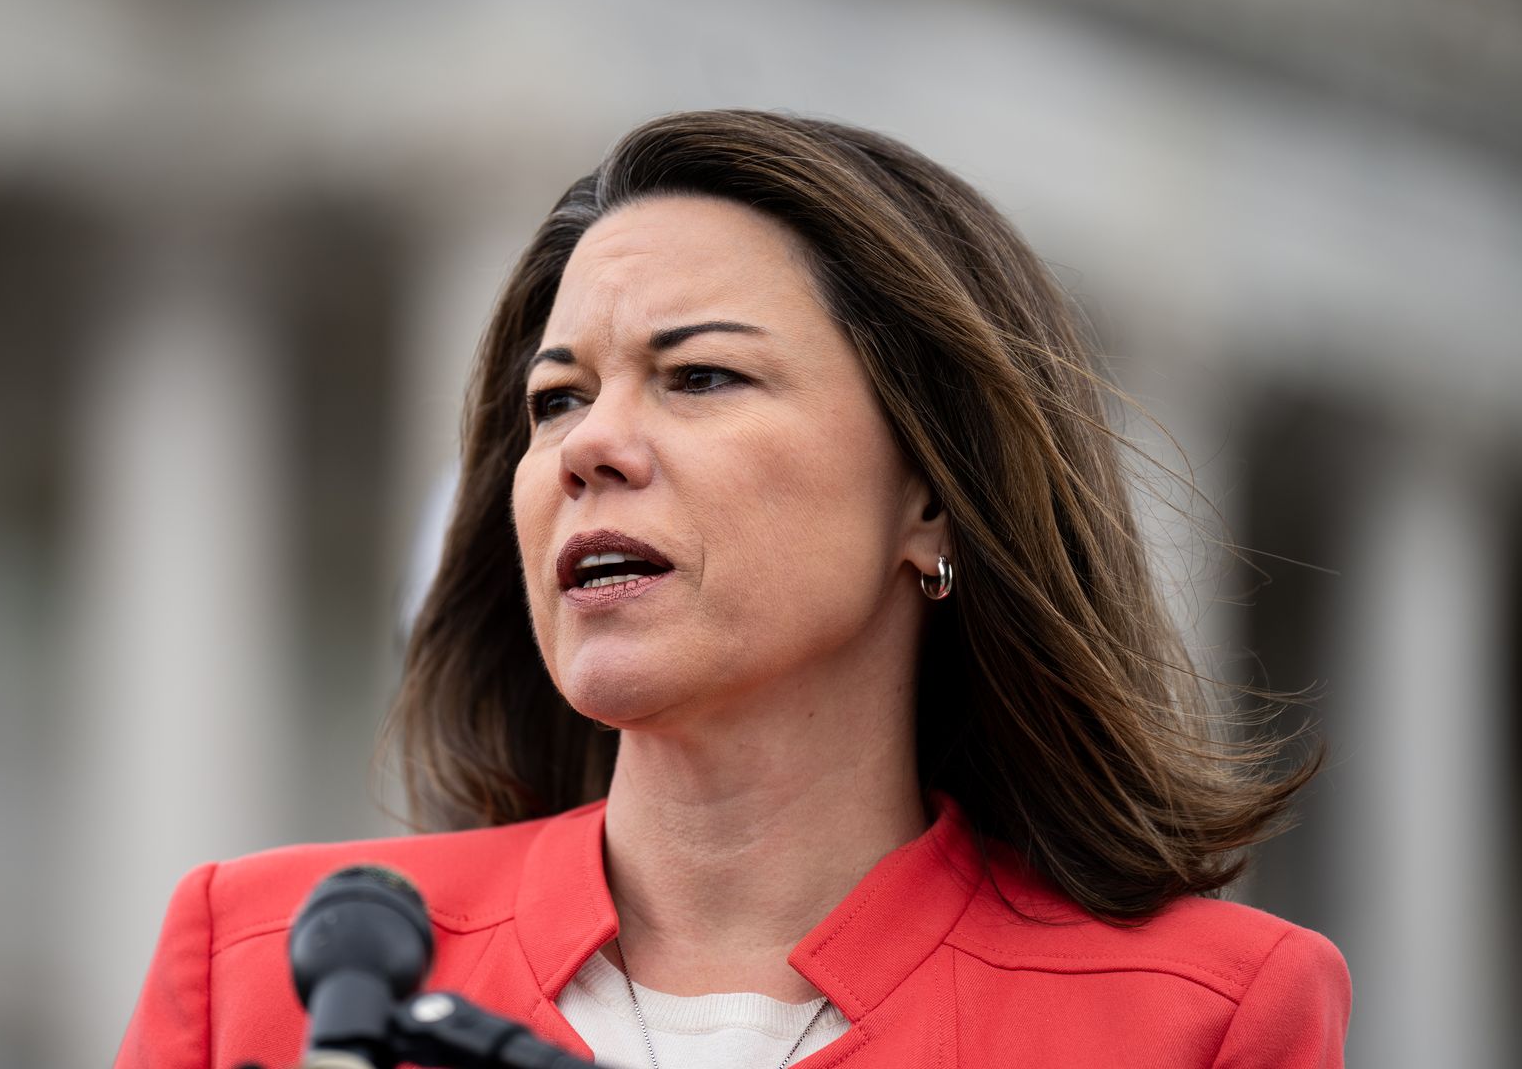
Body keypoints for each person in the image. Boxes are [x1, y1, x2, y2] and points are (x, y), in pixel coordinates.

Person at [116, 109, 1350, 1068]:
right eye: (557, 401)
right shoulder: (280, 966)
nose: (591, 446)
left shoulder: (1202, 1018)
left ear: (930, 495)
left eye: (699, 377)